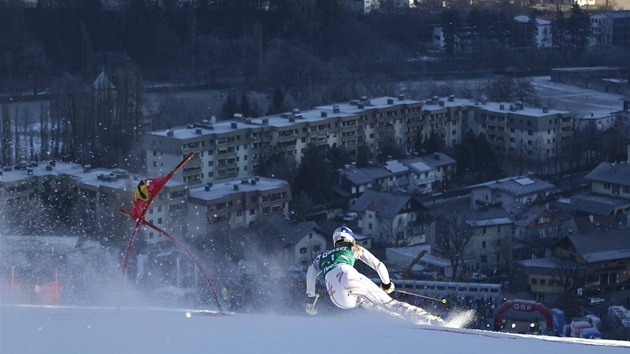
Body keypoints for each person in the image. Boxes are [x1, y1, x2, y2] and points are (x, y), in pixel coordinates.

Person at [305, 226, 442, 324]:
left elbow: (311, 272)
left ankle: (399, 322)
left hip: (337, 298)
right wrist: (387, 284)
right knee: (388, 302)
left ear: (335, 240)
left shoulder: (322, 256)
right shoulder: (352, 248)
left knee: (366, 302)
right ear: (351, 239)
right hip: (349, 276)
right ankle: (427, 319)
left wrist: (311, 294)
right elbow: (379, 265)